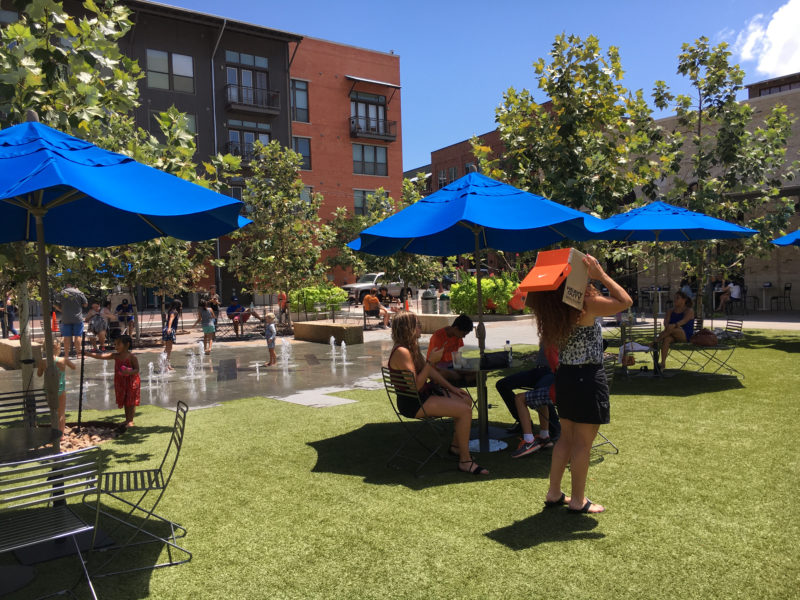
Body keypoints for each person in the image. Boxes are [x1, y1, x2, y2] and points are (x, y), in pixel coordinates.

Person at [527, 254, 632, 514]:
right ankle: (577, 500)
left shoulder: (554, 307)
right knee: (583, 443)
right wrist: (601, 275)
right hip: (587, 377)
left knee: (566, 438)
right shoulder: (586, 304)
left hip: (566, 377)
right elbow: (625, 301)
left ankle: (554, 493)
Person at [387, 311, 487, 475]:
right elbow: (416, 386)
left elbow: (431, 372)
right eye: (417, 324)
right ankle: (465, 461)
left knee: (465, 399)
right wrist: (430, 362)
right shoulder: (402, 352)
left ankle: (456, 447)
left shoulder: (411, 347)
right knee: (464, 410)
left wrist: (453, 389)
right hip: (413, 403)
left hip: (422, 396)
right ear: (407, 328)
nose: (420, 327)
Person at [496, 344, 561, 453]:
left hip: (551, 372)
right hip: (538, 370)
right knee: (502, 384)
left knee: (540, 390)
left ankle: (552, 429)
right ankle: (523, 423)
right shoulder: (547, 334)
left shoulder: (563, 335)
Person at [84, 335, 140, 427]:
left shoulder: (132, 357)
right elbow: (101, 356)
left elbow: (137, 370)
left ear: (127, 345)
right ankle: (127, 420)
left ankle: (130, 421)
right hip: (121, 382)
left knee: (131, 401)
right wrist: (89, 354)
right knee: (125, 400)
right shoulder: (115, 356)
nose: (116, 346)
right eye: (115, 344)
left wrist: (128, 371)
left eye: (118, 344)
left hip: (132, 382)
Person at [37, 339, 75, 433]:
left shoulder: (43, 362)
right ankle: (60, 434)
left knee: (53, 411)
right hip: (60, 388)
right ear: (58, 347)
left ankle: (54, 431)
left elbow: (39, 374)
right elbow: (74, 367)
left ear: (45, 348)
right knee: (61, 412)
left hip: (48, 389)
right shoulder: (63, 360)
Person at [425, 314, 475, 386]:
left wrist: (463, 367)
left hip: (453, 367)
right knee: (445, 373)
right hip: (438, 369)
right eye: (463, 334)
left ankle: (464, 377)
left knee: (476, 371)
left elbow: (458, 358)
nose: (464, 337)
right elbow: (434, 364)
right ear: (456, 328)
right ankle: (465, 378)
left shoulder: (458, 336)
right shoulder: (438, 337)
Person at [657, 291, 695, 372]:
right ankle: (663, 363)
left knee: (673, 329)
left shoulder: (689, 310)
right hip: (671, 333)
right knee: (666, 339)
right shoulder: (670, 311)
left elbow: (683, 321)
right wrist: (668, 326)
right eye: (674, 298)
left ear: (684, 300)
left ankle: (655, 342)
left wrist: (673, 325)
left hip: (685, 335)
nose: (675, 300)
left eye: (677, 298)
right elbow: (666, 322)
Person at [53, 283, 88, 358]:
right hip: (77, 318)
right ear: (74, 285)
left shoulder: (61, 293)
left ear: (67, 285)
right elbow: (85, 304)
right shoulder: (79, 293)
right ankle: (79, 354)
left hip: (66, 318)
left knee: (66, 337)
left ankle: (66, 355)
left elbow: (55, 305)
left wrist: (62, 310)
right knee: (78, 336)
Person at [162, 300, 181, 370]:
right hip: (169, 330)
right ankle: (165, 365)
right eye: (180, 306)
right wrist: (169, 328)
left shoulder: (171, 311)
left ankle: (166, 364)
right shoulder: (174, 312)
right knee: (168, 348)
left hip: (169, 330)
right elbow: (170, 320)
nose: (181, 307)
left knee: (168, 348)